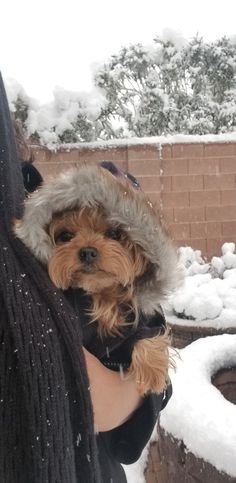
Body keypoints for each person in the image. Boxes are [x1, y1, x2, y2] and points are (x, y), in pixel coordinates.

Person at [0, 73, 171, 483]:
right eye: (66, 237)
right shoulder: (40, 270)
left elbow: (154, 377)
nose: (88, 248)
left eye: (112, 235)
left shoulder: (25, 195)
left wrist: (140, 378)